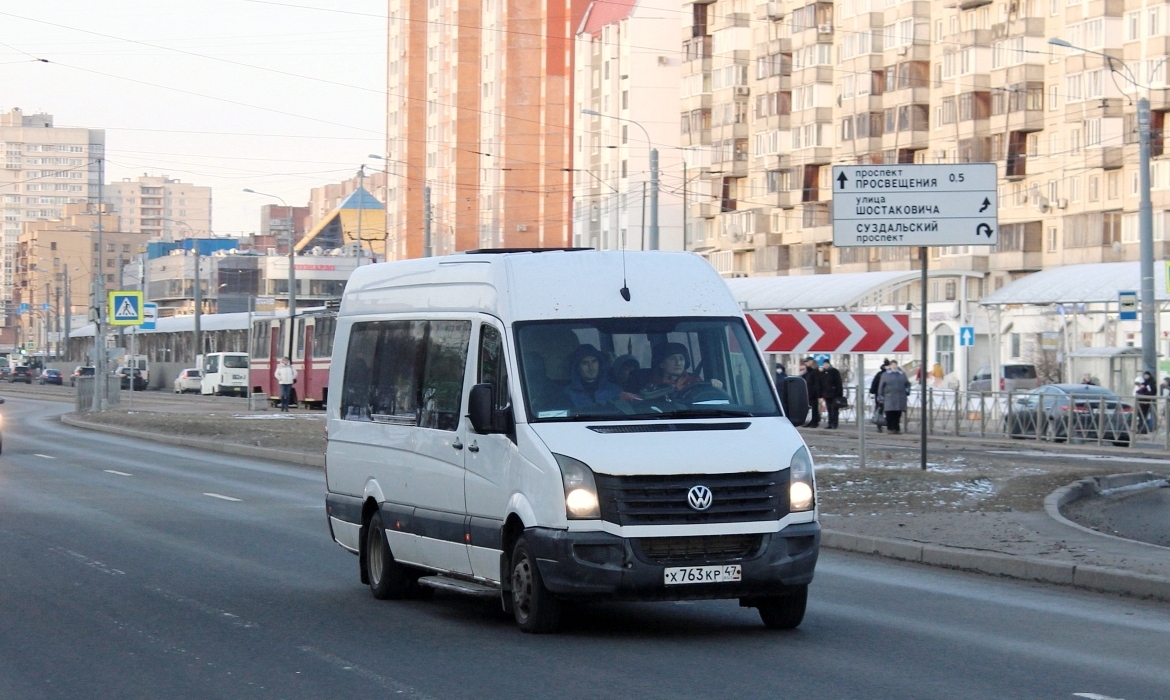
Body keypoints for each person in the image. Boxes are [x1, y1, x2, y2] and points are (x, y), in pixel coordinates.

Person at [641, 342, 722, 395]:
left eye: (681, 359)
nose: (678, 363)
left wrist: (714, 386)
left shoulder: (695, 381)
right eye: (673, 359)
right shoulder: (652, 384)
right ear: (662, 364)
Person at [877, 360, 909, 434]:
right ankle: (890, 428)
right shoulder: (885, 375)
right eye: (893, 365)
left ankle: (896, 429)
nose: (894, 366)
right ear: (890, 366)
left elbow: (907, 384)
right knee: (889, 413)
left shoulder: (902, 374)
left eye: (895, 365)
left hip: (900, 398)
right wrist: (881, 397)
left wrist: (907, 391)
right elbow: (881, 386)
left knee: (898, 413)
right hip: (889, 397)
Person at [820, 359, 843, 429]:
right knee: (829, 409)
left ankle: (834, 424)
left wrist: (839, 393)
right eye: (824, 364)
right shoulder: (823, 372)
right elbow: (821, 383)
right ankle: (830, 423)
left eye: (827, 364)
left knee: (834, 409)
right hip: (826, 394)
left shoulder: (834, 372)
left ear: (829, 364)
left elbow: (839, 383)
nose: (825, 365)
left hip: (834, 394)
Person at [800, 357, 822, 428]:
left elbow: (817, 383)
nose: (806, 363)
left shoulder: (815, 371)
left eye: (807, 362)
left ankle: (814, 422)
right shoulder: (808, 371)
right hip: (808, 393)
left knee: (814, 409)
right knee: (809, 409)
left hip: (813, 394)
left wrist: (816, 393)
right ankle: (809, 422)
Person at [869, 359, 889, 433]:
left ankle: (880, 425)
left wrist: (872, 391)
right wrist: (872, 391)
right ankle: (883, 425)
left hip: (881, 395)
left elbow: (874, 384)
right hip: (883, 395)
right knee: (883, 410)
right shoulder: (882, 374)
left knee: (881, 410)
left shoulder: (880, 374)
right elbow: (875, 384)